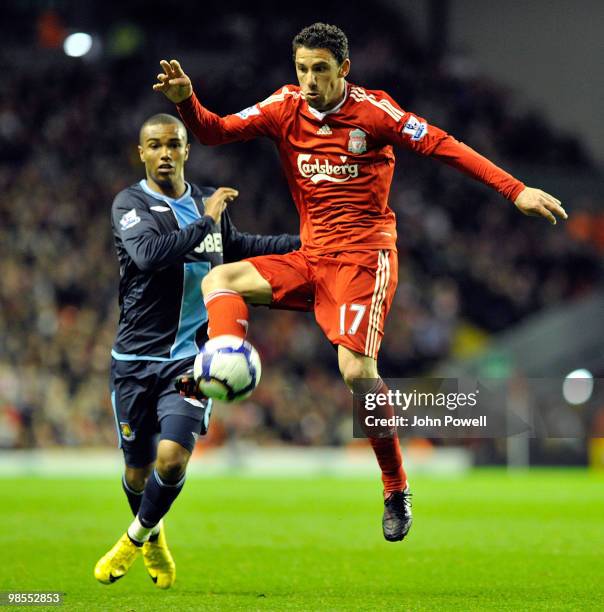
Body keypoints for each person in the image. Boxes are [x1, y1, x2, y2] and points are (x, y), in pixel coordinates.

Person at [153, 23, 567, 543]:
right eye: (301, 68)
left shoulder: (374, 111)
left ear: (343, 69)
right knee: (221, 278)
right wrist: (187, 101)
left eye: (320, 69)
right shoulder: (284, 107)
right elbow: (215, 131)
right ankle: (223, 360)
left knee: (356, 372)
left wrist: (516, 190)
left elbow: (444, 145)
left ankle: (395, 487)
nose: (308, 80)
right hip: (310, 256)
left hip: (363, 262)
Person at [94, 113, 299, 587]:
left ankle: (132, 540)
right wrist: (205, 219)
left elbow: (238, 246)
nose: (164, 153)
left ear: (187, 149)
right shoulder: (131, 204)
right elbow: (148, 256)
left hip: (192, 358)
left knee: (172, 459)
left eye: (173, 144)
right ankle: (154, 535)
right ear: (141, 153)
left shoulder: (207, 202)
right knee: (137, 469)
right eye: (154, 146)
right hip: (133, 361)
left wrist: (304, 244)